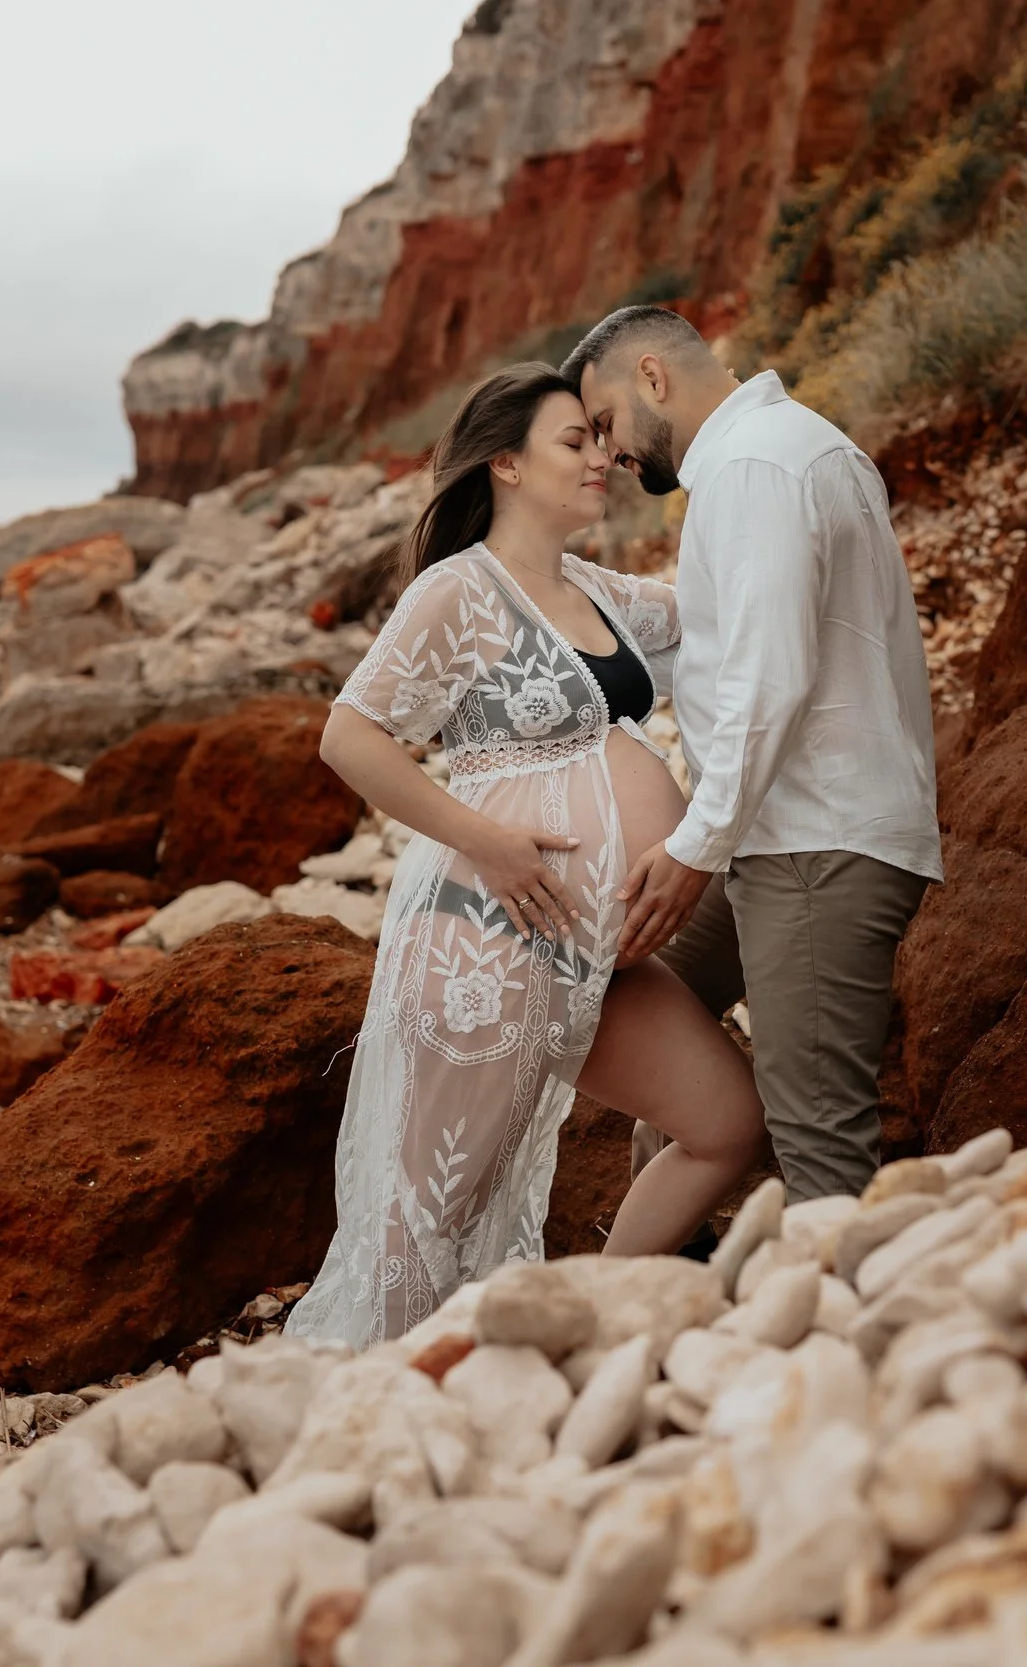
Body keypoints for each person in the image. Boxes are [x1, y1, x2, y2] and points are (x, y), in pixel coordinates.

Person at [283, 362, 766, 1348]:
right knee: (431, 1213)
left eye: (600, 441)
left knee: (724, 1120)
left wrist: (763, 475)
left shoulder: (595, 587)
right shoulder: (458, 592)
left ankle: (589, 1332)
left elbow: (723, 610)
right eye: (574, 442)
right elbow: (352, 736)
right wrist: (488, 841)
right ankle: (377, 1411)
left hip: (598, 956)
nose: (600, 459)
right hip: (488, 938)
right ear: (504, 462)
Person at [563, 306, 942, 1206]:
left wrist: (695, 844)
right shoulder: (781, 450)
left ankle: (846, 1327)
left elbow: (772, 676)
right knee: (632, 1009)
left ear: (653, 377)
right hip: (775, 832)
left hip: (814, 839)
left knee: (820, 1140)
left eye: (608, 424)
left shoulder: (753, 466)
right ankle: (682, 1260)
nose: (611, 455)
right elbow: (728, 643)